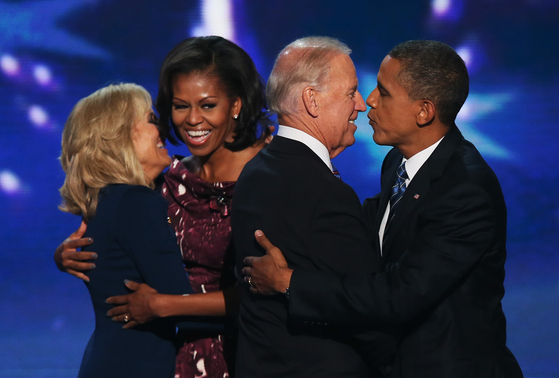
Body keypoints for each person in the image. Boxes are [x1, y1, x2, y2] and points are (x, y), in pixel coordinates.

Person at [242, 40, 524, 378]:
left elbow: (400, 294)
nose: (369, 101)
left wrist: (288, 282)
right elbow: (369, 230)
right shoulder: (396, 163)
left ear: (424, 111)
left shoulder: (465, 191)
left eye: (384, 92)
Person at [54, 36, 272, 378]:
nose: (191, 120)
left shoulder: (269, 177)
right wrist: (67, 255)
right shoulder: (164, 184)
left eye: (208, 105)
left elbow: (274, 293)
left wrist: (162, 305)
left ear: (236, 105)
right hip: (170, 360)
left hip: (248, 354)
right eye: (180, 105)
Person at [231, 36, 396, 378]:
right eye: (351, 92)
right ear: (312, 100)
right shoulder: (322, 190)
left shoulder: (255, 170)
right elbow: (365, 312)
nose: (362, 105)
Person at [58, 83, 193, 378]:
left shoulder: (107, 201)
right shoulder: (136, 203)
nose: (163, 130)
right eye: (150, 120)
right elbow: (184, 305)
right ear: (120, 138)